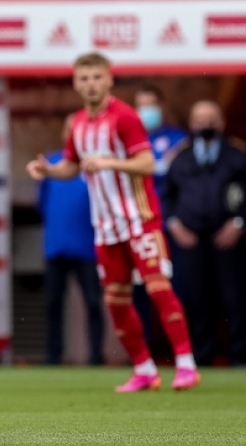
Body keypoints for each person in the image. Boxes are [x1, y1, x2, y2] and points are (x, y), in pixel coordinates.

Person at [26, 53, 199, 392]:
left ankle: (186, 364)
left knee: (159, 290)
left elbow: (147, 163)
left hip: (139, 220)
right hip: (105, 227)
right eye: (84, 78)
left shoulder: (125, 117)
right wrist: (49, 170)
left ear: (109, 80)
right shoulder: (78, 123)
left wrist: (110, 162)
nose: (91, 84)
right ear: (76, 84)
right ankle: (144, 369)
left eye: (96, 77)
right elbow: (73, 166)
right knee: (116, 302)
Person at [163, 100, 246, 366]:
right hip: (190, 238)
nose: (205, 124)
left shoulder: (237, 155)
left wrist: (239, 222)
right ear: (191, 123)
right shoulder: (180, 156)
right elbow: (167, 195)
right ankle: (200, 357)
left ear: (221, 122)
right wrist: (174, 224)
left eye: (210, 119)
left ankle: (240, 357)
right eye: (199, 120)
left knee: (235, 298)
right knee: (196, 298)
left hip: (229, 238)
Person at [38, 115, 103, 366]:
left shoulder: (95, 165)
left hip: (88, 246)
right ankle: (53, 357)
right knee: (53, 304)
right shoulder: (52, 163)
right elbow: (42, 204)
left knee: (94, 303)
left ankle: (96, 357)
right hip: (56, 246)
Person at [131, 85, 188, 342]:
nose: (147, 111)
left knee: (177, 289)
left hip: (171, 227)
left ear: (162, 106)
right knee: (140, 290)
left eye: (151, 105)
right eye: (141, 106)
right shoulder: (127, 142)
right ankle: (144, 352)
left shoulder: (179, 139)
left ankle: (182, 348)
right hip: (140, 227)